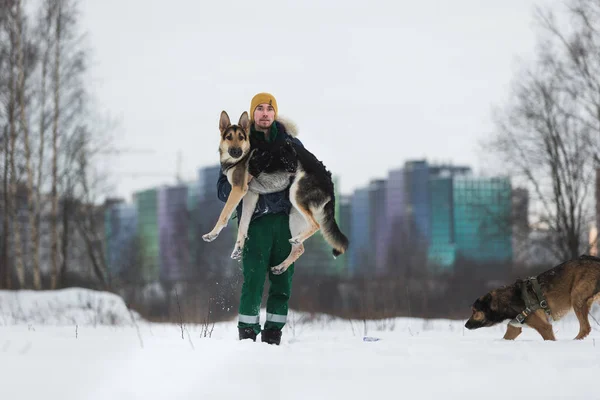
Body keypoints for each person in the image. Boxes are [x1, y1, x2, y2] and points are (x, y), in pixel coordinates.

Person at [216, 92, 303, 345]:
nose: (265, 113)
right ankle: (247, 335)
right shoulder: (239, 143)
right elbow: (223, 189)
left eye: (269, 109)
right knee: (253, 280)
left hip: (287, 223)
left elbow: (311, 174)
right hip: (255, 224)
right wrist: (243, 180)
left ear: (274, 114)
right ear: (253, 114)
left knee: (282, 283)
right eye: (260, 109)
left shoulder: (292, 143)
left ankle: (273, 333)